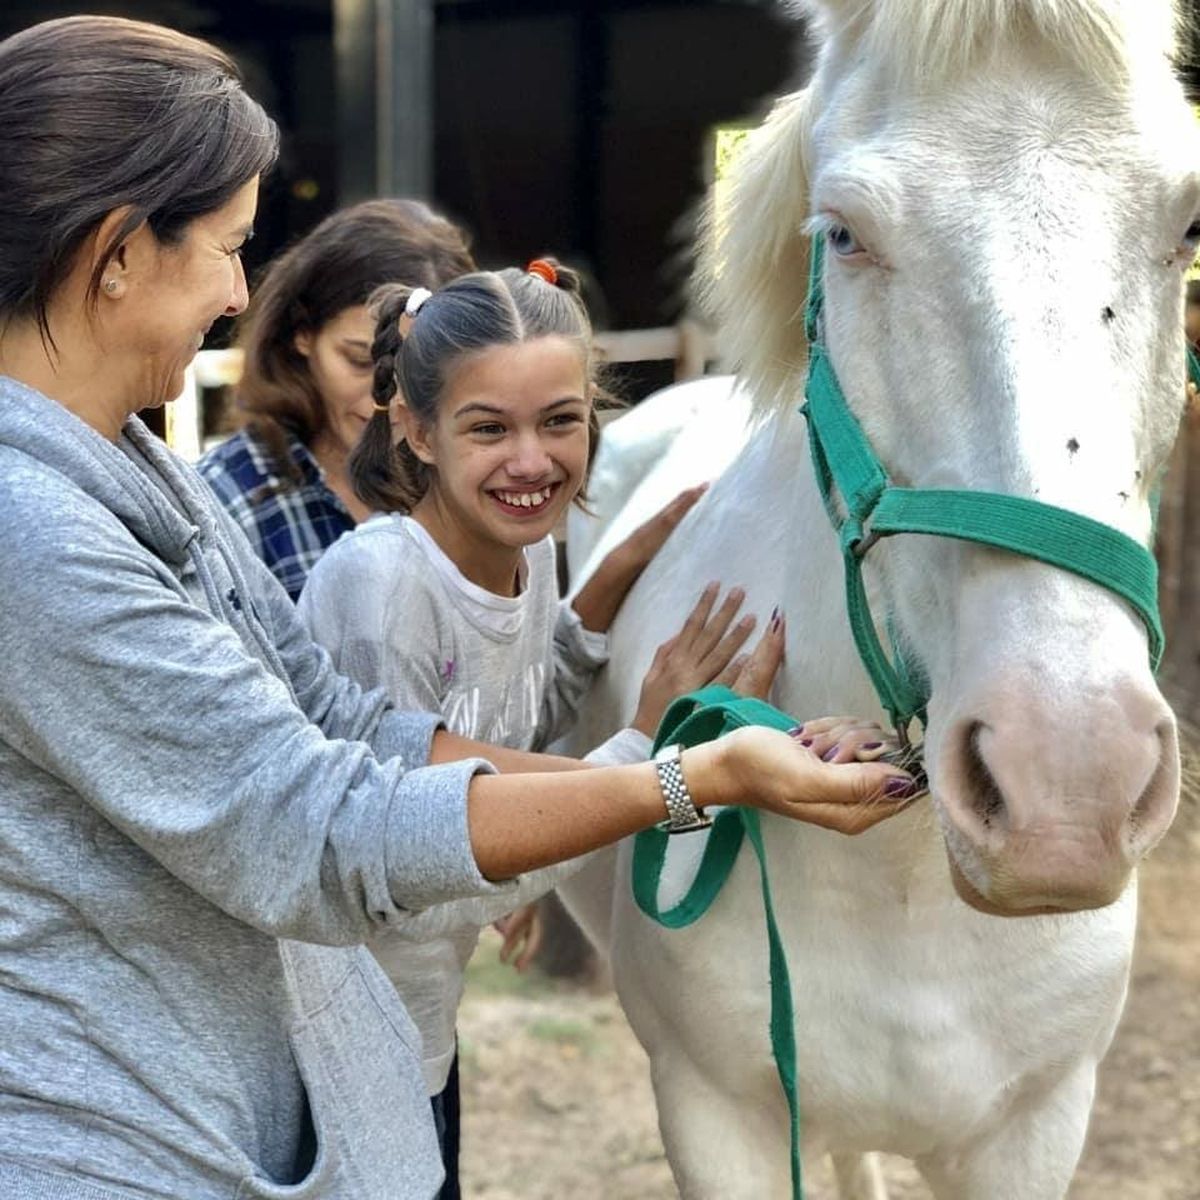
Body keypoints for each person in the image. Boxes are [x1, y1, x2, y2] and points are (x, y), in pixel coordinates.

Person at [0, 15, 918, 1200]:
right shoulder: (34, 529)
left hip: (232, 1104)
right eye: (227, 249)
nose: (238, 295)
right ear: (118, 251)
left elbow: (342, 720)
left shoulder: (127, 459)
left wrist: (697, 748)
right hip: (118, 1145)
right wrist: (694, 781)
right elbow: (316, 826)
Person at [298, 261, 763, 1194]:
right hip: (317, 1059)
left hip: (416, 1028)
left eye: (560, 421)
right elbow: (412, 854)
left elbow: (521, 702)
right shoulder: (383, 586)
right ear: (415, 431)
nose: (531, 460)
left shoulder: (527, 555)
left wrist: (620, 571)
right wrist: (644, 745)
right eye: (489, 428)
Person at [198, 198, 476, 600]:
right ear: (302, 333)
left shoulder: (467, 479)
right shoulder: (225, 501)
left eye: (418, 374)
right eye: (361, 361)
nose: (388, 399)